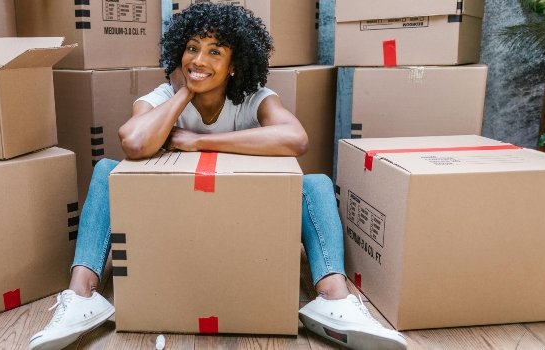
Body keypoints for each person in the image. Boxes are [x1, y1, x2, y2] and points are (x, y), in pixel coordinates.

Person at [29, 3, 406, 350]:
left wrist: (196, 141)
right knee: (106, 170)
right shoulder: (161, 96)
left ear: (234, 64)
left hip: (237, 224)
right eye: (192, 48)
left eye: (214, 52)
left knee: (316, 183)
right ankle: (82, 297)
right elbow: (134, 142)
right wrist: (183, 93)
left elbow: (296, 138)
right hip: (174, 225)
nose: (199, 59)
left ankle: (334, 300)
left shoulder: (256, 98)